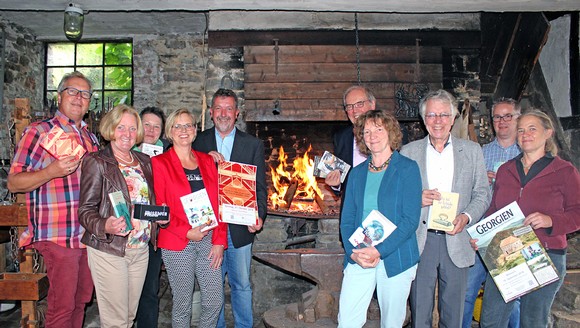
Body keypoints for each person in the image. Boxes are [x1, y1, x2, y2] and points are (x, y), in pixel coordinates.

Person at [7, 71, 98, 328]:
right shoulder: (39, 132)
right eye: (72, 91)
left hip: (86, 235)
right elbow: (14, 182)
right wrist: (51, 172)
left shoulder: (90, 139)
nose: (79, 98)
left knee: (81, 301)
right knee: (62, 306)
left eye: (85, 94)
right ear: (59, 97)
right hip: (58, 235)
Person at [479, 109, 580, 328]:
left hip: (545, 254)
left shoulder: (565, 171)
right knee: (491, 320)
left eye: (532, 129)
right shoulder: (506, 170)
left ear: (548, 132)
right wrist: (481, 235)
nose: (525, 134)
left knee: (532, 322)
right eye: (521, 129)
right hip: (506, 253)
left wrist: (551, 220)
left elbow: (578, 212)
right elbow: (494, 210)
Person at [400, 89, 490, 328]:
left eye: (443, 115)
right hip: (421, 240)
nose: (437, 121)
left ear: (452, 119)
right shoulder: (408, 153)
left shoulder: (472, 152)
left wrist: (466, 216)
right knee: (419, 312)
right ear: (423, 119)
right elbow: (397, 198)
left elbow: (483, 193)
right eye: (431, 115)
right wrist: (414, 199)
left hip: (456, 237)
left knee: (454, 314)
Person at [338, 110, 422, 327]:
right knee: (347, 321)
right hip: (359, 253)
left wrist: (379, 250)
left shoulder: (408, 169)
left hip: (396, 255)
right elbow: (347, 220)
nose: (372, 135)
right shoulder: (356, 173)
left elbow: (410, 220)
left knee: (391, 323)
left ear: (390, 132)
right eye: (367, 131)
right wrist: (353, 253)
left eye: (378, 129)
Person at [78, 104, 160, 327]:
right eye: (121, 128)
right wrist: (105, 225)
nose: (127, 134)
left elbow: (147, 200)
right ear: (111, 129)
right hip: (110, 248)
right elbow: (84, 211)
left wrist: (158, 216)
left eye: (133, 129)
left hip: (140, 249)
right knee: (116, 321)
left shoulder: (144, 161)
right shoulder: (96, 162)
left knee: (129, 317)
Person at [192, 88, 267, 328]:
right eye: (218, 108)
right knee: (212, 288)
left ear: (237, 113)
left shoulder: (253, 144)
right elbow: (189, 184)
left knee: (241, 285)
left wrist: (259, 215)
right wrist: (204, 161)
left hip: (239, 228)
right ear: (211, 112)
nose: (223, 113)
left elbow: (260, 188)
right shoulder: (198, 142)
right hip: (209, 230)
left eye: (228, 109)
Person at [152, 108, 227, 328]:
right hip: (178, 241)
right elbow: (161, 209)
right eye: (178, 126)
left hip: (208, 239)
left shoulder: (207, 161)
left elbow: (218, 202)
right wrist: (186, 231)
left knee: (214, 301)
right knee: (183, 304)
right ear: (170, 131)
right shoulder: (160, 163)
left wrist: (220, 241)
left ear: (195, 131)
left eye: (188, 125)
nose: (183, 130)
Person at [462, 98, 522, 328]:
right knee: (468, 291)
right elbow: (465, 190)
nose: (502, 121)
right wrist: (479, 181)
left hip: (512, 234)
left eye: (508, 116)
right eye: (497, 116)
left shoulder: (526, 153)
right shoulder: (479, 153)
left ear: (518, 118)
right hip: (482, 232)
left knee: (512, 296)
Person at [135, 106, 170, 328]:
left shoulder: (169, 152)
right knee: (126, 291)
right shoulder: (124, 148)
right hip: (127, 231)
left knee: (149, 288)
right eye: (146, 124)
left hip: (154, 233)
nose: (151, 130)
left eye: (156, 126)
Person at [325, 86, 376, 190]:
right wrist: (335, 185)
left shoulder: (388, 134)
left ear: (372, 105)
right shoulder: (341, 137)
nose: (354, 110)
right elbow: (342, 180)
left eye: (359, 104)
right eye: (349, 106)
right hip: (351, 203)